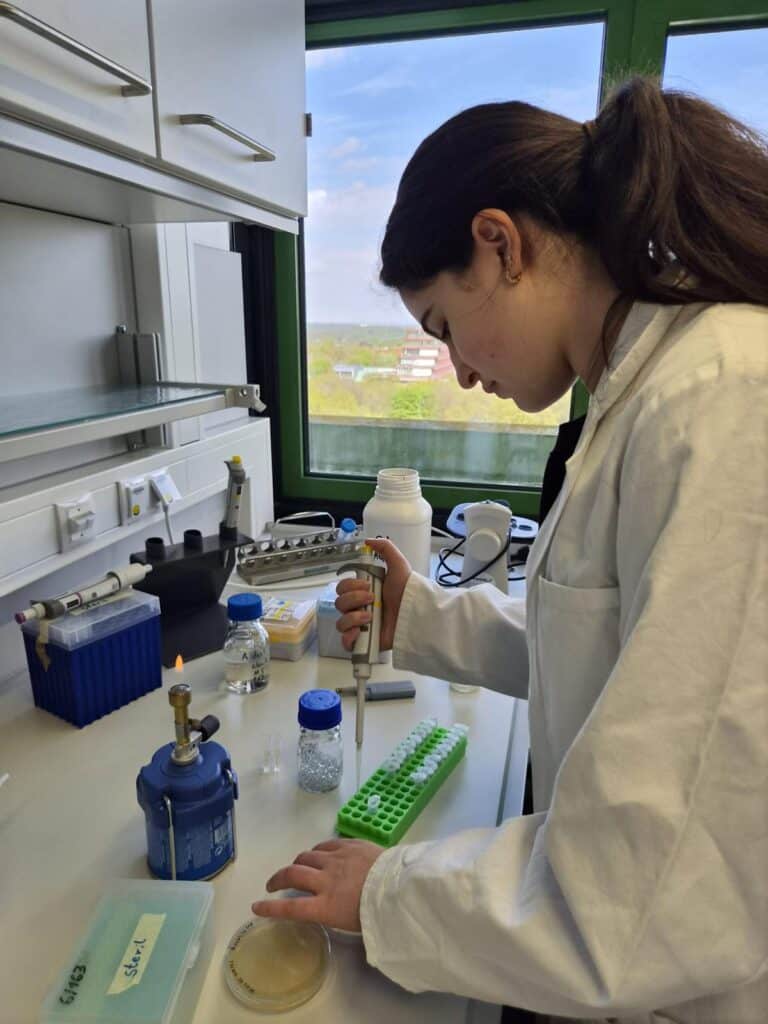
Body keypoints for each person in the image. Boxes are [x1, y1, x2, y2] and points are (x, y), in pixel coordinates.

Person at [252, 76, 768, 1024]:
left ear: (499, 244)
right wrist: (428, 617)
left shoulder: (721, 399)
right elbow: (606, 648)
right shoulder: (641, 392)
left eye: (445, 325)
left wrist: (387, 894)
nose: (457, 369)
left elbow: (645, 889)